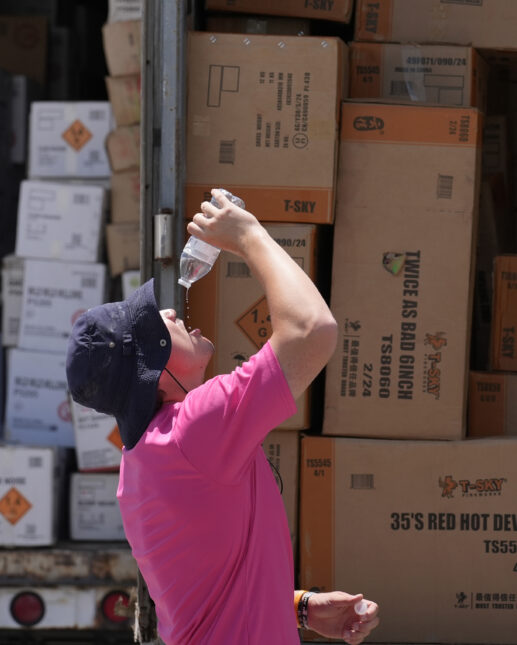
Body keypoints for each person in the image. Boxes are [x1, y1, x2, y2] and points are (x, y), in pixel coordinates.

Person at [66, 189, 380, 644]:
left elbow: (205, 593)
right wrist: (248, 235)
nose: (171, 312)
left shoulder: (152, 454)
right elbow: (312, 331)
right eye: (158, 323)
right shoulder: (191, 433)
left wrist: (297, 607)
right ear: (153, 372)